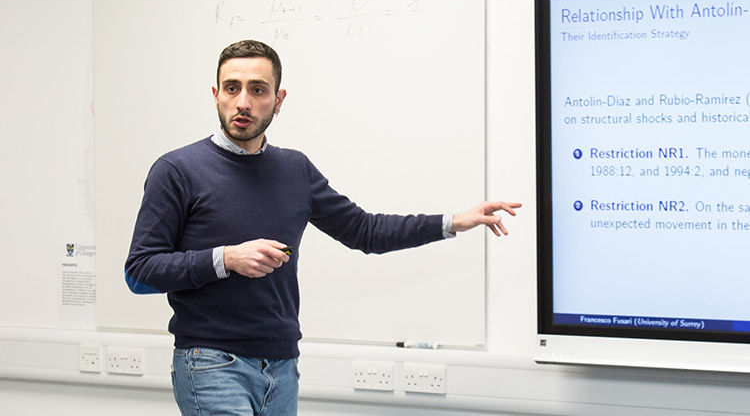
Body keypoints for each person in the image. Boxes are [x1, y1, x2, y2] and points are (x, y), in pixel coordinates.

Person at [125, 39, 521, 416]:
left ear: (278, 101)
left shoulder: (295, 170)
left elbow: (365, 231)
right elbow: (139, 272)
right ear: (216, 94)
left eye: (258, 90)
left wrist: (452, 222)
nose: (243, 102)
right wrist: (226, 258)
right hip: (211, 362)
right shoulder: (177, 171)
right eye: (232, 88)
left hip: (281, 365)